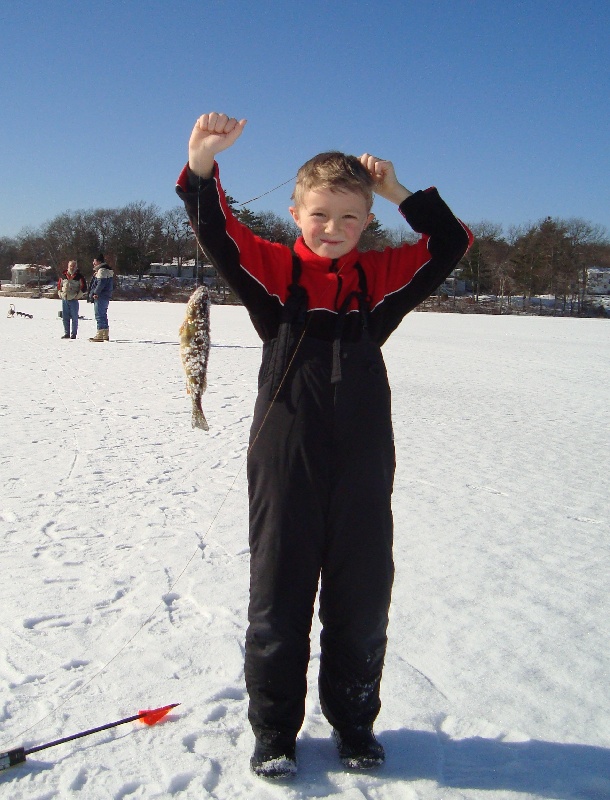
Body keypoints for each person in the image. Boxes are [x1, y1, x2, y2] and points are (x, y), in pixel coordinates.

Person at [176, 112, 473, 779]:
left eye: (348, 217)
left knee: (361, 598)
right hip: (286, 459)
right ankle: (274, 731)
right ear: (294, 213)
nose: (332, 229)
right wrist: (201, 164)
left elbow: (451, 241)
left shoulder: (383, 281)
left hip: (364, 462)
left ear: (367, 222)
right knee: (279, 597)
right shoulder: (277, 274)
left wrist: (398, 192)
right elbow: (217, 232)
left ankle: (354, 723)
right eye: (319, 215)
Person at [58, 260, 87, 339]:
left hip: (74, 299)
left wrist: (77, 296)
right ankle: (66, 333)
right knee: (65, 317)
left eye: (74, 266)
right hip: (65, 299)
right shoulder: (63, 275)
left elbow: (84, 288)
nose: (72, 267)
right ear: (68, 266)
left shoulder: (79, 276)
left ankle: (73, 334)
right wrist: (60, 294)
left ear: (76, 267)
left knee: (74, 317)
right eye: (71, 266)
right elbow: (59, 286)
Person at [88, 253, 114, 341]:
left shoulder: (102, 270)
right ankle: (105, 334)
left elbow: (101, 283)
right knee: (103, 314)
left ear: (98, 261)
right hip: (106, 295)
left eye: (94, 261)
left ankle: (100, 334)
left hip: (101, 296)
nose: (93, 263)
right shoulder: (107, 270)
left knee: (99, 315)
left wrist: (95, 293)